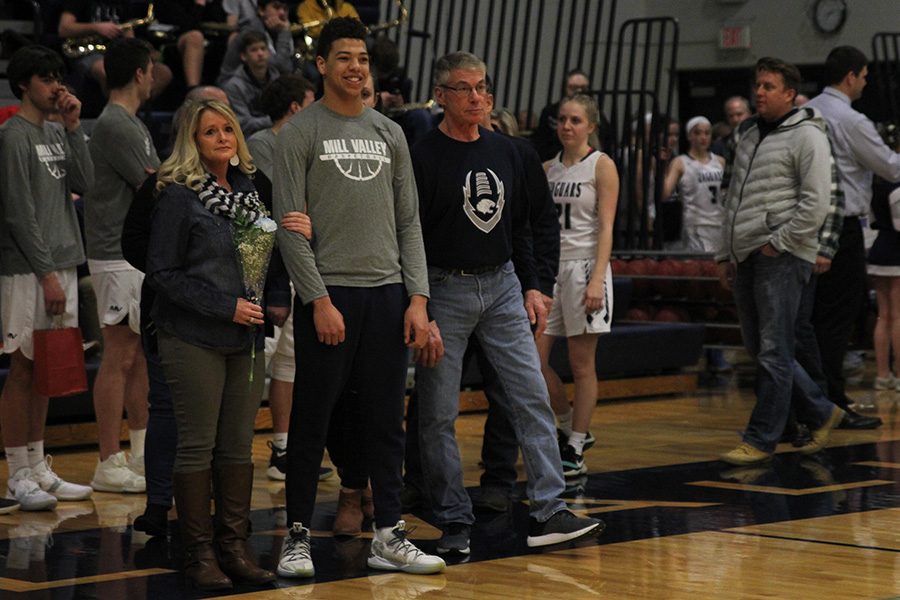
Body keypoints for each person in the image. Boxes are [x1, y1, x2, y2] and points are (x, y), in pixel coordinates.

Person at [411, 51, 604, 555]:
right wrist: (419, 304)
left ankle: (549, 509)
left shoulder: (513, 153)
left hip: (501, 285)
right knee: (435, 413)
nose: (476, 96)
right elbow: (406, 235)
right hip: (442, 288)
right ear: (440, 97)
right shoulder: (422, 155)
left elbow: (534, 224)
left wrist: (534, 285)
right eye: (463, 88)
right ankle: (453, 518)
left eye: (482, 87)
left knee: (530, 395)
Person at [272, 17, 444, 578]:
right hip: (329, 296)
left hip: (387, 295)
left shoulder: (390, 132)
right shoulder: (299, 133)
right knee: (312, 420)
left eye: (363, 58)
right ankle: (296, 534)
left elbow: (410, 223)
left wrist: (417, 299)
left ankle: (389, 533)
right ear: (321, 65)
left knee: (385, 423)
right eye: (344, 57)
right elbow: (288, 227)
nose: (355, 67)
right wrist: (317, 299)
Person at [146, 99, 278, 590]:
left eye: (228, 129)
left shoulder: (249, 190)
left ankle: (234, 546)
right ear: (192, 142)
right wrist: (225, 307)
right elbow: (161, 272)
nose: (222, 138)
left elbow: (266, 258)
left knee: (238, 446)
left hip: (246, 337)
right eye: (209, 132)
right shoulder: (179, 196)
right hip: (193, 336)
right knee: (198, 444)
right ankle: (198, 552)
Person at [716, 57, 845, 465]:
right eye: (758, 85)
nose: (760, 92)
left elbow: (817, 201)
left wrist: (781, 242)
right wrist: (725, 251)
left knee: (774, 349)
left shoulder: (808, 135)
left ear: (789, 94)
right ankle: (822, 411)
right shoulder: (747, 132)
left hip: (782, 256)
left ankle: (761, 438)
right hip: (746, 252)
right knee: (762, 348)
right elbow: (731, 198)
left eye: (769, 86)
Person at [0, 45, 95, 512]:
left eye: (59, 76)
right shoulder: (13, 136)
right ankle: (17, 473)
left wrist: (75, 129)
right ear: (23, 85)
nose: (56, 85)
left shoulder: (58, 131)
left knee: (46, 369)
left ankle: (38, 465)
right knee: (22, 366)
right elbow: (19, 215)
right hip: (26, 269)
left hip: (62, 261)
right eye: (45, 78)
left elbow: (87, 183)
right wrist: (47, 277)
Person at [806, 46, 900, 429]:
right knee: (837, 318)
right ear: (850, 76)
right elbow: (890, 167)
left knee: (812, 318)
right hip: (841, 226)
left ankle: (817, 397)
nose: (865, 82)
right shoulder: (851, 119)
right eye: (863, 76)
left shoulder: (806, 110)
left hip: (807, 224)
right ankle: (830, 399)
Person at [246, 74, 333, 485]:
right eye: (312, 99)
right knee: (259, 360)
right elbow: (283, 205)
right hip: (269, 268)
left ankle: (283, 447)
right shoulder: (264, 143)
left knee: (289, 362)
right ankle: (234, 449)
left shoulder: (308, 140)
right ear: (297, 106)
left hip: (303, 264)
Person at [84, 37, 157, 494]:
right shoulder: (117, 124)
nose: (153, 78)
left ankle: (142, 451)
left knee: (139, 356)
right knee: (119, 353)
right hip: (115, 253)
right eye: (151, 70)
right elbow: (153, 185)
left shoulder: (129, 122)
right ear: (139, 73)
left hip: (131, 254)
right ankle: (107, 459)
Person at [537, 94, 618, 478]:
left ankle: (574, 447)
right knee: (534, 362)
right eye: (562, 119)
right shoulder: (547, 169)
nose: (567, 126)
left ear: (591, 127)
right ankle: (570, 425)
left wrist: (597, 279)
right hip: (551, 270)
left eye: (575, 120)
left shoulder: (601, 166)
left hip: (586, 268)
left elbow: (606, 226)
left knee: (581, 364)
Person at [57, 0, 172, 98]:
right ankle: (119, 111)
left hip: (117, 50)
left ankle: (133, 110)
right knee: (106, 70)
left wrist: (140, 52)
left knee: (163, 73)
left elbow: (128, 33)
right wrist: (96, 28)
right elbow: (64, 28)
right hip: (85, 51)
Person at [661, 116, 725, 253]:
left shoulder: (720, 162)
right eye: (697, 133)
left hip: (719, 223)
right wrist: (663, 165)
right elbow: (665, 193)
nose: (703, 137)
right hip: (695, 224)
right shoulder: (680, 162)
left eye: (707, 133)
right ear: (689, 135)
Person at [868, 182, 900, 390]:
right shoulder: (897, 187)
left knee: (884, 315)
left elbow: (872, 220)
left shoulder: (876, 184)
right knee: (898, 316)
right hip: (896, 252)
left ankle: (882, 375)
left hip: (879, 250)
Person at [219, 0, 295, 84]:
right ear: (261, 11)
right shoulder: (251, 32)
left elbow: (288, 68)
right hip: (236, 87)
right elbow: (281, 66)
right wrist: (284, 33)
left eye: (285, 9)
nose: (282, 13)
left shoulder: (277, 29)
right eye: (276, 7)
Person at [222, 30, 280, 136]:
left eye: (263, 48)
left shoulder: (277, 78)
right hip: (250, 138)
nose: (260, 53)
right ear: (243, 56)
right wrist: (277, 119)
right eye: (254, 50)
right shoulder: (234, 86)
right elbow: (243, 124)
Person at [531, 69, 589, 161]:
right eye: (573, 87)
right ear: (564, 88)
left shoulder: (598, 114)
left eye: (583, 88)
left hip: (585, 159)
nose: (579, 91)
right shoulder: (550, 112)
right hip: (553, 160)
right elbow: (541, 143)